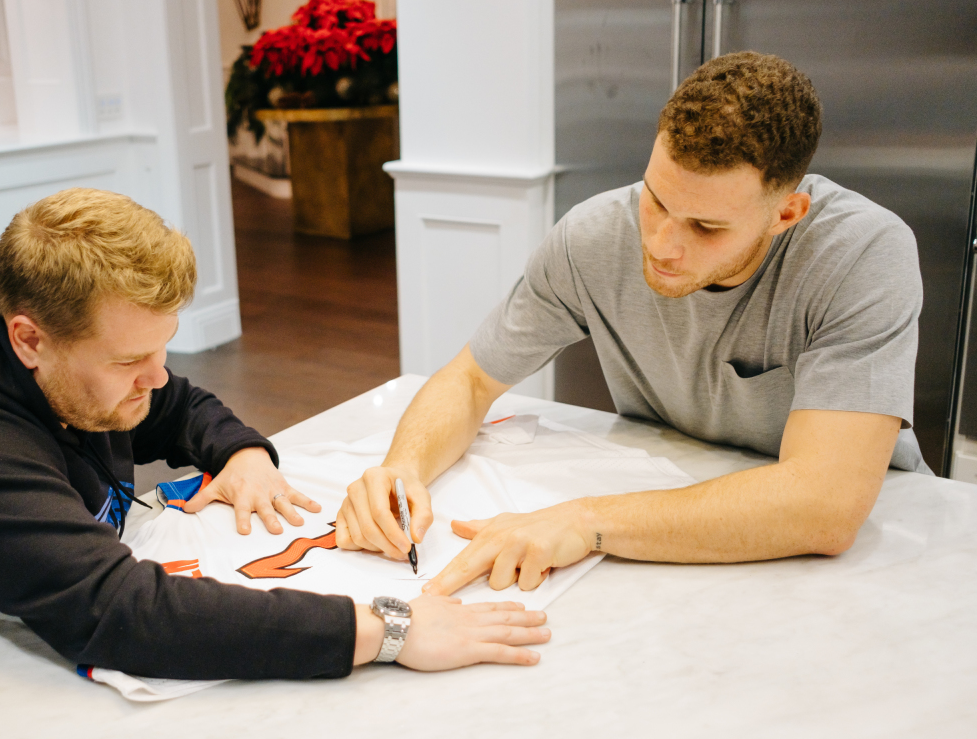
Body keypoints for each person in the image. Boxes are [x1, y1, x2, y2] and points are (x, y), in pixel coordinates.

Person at [0, 188, 549, 676]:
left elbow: (174, 404)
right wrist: (384, 630)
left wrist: (240, 450)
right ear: (28, 339)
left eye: (163, 346)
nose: (155, 376)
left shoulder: (56, 334)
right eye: (127, 360)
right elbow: (117, 614)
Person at [335, 51, 925, 597]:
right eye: (657, 199)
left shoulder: (863, 253)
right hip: (670, 512)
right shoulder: (593, 236)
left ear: (786, 215)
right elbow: (469, 381)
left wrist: (585, 520)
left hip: (868, 548)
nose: (662, 244)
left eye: (706, 227)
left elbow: (825, 504)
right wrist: (401, 468)